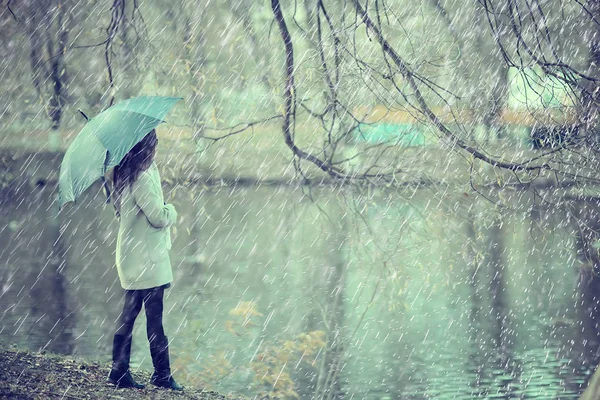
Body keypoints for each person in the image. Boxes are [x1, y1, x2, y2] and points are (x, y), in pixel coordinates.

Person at [106, 129, 183, 391]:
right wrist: (171, 210)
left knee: (129, 314)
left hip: (132, 255)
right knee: (154, 319)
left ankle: (119, 370)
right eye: (155, 144)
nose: (157, 149)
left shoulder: (123, 175)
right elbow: (158, 217)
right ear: (147, 147)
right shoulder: (141, 178)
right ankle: (162, 376)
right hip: (148, 260)